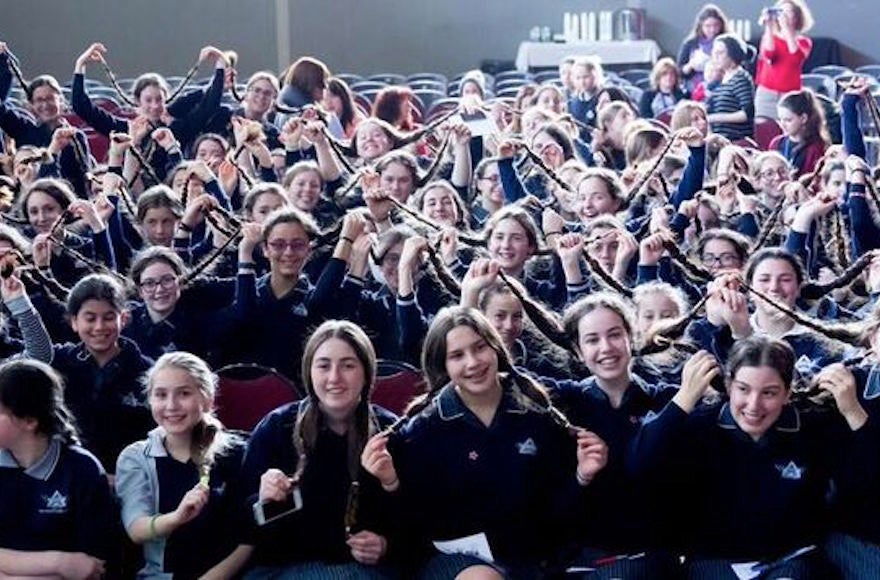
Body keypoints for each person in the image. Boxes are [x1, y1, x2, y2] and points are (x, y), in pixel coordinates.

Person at [361, 306, 609, 578]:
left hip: (531, 557)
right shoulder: (422, 431)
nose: (473, 362)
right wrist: (391, 483)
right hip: (456, 561)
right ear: (443, 365)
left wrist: (581, 477)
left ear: (496, 350)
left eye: (480, 348)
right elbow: (411, 524)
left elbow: (557, 510)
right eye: (457, 355)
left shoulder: (536, 416)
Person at [629, 337, 871, 578]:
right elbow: (640, 464)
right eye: (743, 389)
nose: (754, 405)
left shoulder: (810, 429)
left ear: (787, 392)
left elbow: (866, 481)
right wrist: (683, 399)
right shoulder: (701, 427)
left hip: (788, 560)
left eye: (769, 393)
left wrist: (853, 413)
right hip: (714, 560)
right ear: (728, 385)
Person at [240, 320, 398, 578]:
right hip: (284, 568)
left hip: (368, 571)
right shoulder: (277, 428)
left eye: (348, 365)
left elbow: (419, 523)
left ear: (367, 372)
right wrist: (261, 499)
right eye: (323, 366)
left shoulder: (390, 432)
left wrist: (386, 544)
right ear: (309, 372)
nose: (334, 378)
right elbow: (242, 527)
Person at [116, 352, 251, 579]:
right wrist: (176, 518)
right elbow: (136, 529)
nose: (171, 405)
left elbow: (250, 537)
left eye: (184, 394)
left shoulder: (238, 452)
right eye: (160, 395)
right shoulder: (136, 457)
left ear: (207, 399)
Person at [0, 359, 118, 579]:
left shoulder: (83, 471)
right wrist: (59, 562)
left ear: (29, 421)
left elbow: (91, 568)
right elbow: (73, 566)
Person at [755, 0, 815, 118]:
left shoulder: (804, 41)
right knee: (764, 127)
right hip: (767, 92)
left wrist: (787, 29)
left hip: (789, 93)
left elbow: (796, 58)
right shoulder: (769, 37)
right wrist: (769, 27)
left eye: (789, 12)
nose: (785, 15)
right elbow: (769, 55)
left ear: (797, 16)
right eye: (782, 11)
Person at [706, 33, 756, 141]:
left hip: (736, 141)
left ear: (732, 55)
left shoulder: (741, 78)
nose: (716, 57)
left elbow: (747, 114)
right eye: (714, 53)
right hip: (720, 139)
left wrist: (715, 118)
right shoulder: (721, 79)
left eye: (720, 53)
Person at [771, 89, 829, 176]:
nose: (782, 125)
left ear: (803, 118)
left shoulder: (816, 148)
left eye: (788, 120)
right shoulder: (776, 143)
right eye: (780, 119)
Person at [677, 4, 730, 94]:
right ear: (700, 26)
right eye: (708, 26)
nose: (712, 30)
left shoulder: (728, 42)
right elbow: (679, 71)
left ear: (721, 25)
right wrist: (689, 66)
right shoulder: (690, 43)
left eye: (716, 25)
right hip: (693, 90)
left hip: (721, 89)